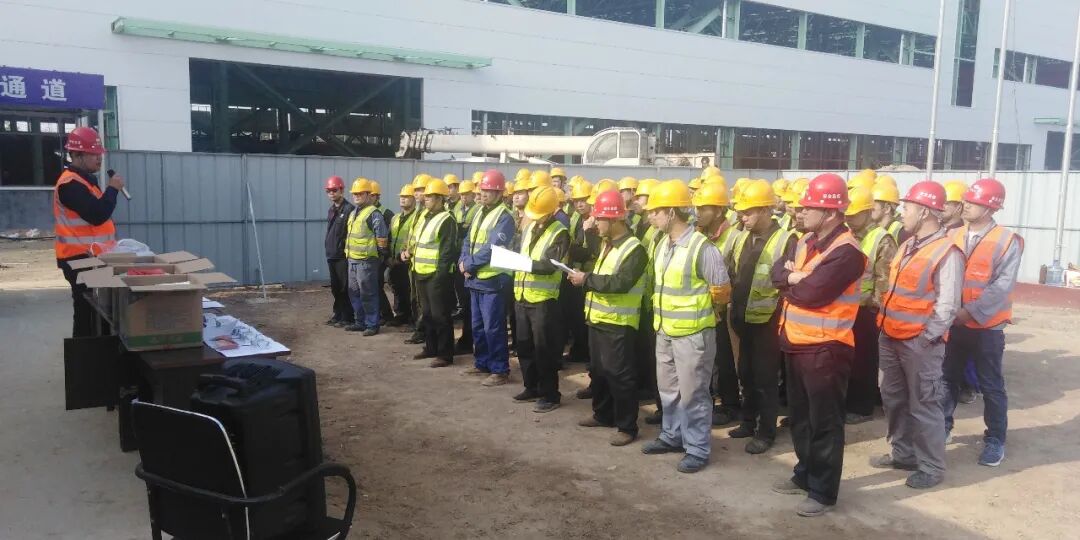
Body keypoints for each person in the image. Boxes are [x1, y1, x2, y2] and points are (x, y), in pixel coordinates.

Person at [770, 173, 866, 517]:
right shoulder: (805, 240)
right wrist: (793, 278)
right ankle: (805, 473)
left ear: (830, 212)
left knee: (824, 421)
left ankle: (823, 492)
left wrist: (793, 280)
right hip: (796, 341)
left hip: (827, 348)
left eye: (808, 206)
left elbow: (813, 294)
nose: (800, 211)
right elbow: (776, 273)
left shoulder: (848, 252)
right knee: (800, 417)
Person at [872, 181, 963, 490]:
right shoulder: (907, 245)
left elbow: (948, 305)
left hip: (919, 343)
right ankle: (904, 454)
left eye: (907, 207)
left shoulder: (947, 252)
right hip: (891, 335)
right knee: (894, 399)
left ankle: (931, 466)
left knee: (924, 403)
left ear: (924, 212)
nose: (902, 212)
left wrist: (926, 338)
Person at [639, 180, 731, 474]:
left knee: (694, 394)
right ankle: (672, 435)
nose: (650, 216)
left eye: (655, 211)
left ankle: (697, 448)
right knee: (669, 390)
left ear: (671, 212)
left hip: (693, 335)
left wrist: (705, 316)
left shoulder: (702, 248)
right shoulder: (662, 244)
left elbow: (722, 290)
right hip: (665, 330)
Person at [942, 178, 1023, 468]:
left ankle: (995, 439)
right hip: (954, 323)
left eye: (973, 202)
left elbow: (1001, 286)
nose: (965, 205)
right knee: (946, 379)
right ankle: (942, 427)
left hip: (987, 327)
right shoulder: (952, 235)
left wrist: (969, 312)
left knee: (991, 385)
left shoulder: (1007, 241)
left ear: (990, 208)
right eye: (966, 200)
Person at [568, 190, 647, 446]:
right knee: (599, 371)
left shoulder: (635, 250)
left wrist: (586, 279)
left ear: (614, 220)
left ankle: (627, 426)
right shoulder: (607, 244)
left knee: (620, 375)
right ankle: (603, 414)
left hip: (618, 323)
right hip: (598, 318)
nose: (596, 223)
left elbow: (620, 283)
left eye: (599, 218)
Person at [726, 180, 797, 454]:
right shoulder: (741, 237)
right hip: (743, 318)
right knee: (745, 373)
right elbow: (733, 272)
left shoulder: (786, 240)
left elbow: (790, 283)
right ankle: (748, 421)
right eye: (741, 212)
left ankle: (766, 432)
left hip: (770, 321)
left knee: (766, 378)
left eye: (748, 212)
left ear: (766, 210)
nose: (743, 217)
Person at [53, 127, 121, 337]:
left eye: (99, 153)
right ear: (77, 155)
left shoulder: (84, 181)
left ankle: (96, 350)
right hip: (78, 259)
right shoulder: (69, 184)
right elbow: (97, 214)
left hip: (91, 257)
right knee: (86, 311)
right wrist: (112, 189)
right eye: (93, 153)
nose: (99, 158)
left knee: (98, 312)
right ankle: (84, 354)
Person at [512, 186, 570, 413]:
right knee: (524, 345)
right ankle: (531, 386)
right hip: (522, 295)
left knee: (544, 350)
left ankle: (550, 394)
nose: (536, 218)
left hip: (543, 301)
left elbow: (550, 266)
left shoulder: (560, 232)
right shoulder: (530, 227)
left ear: (551, 211)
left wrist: (523, 264)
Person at [843, 186, 898, 424]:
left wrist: (875, 308)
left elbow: (884, 280)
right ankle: (850, 400)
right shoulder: (847, 235)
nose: (848, 218)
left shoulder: (881, 239)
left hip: (867, 310)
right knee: (848, 358)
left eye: (853, 214)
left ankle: (862, 407)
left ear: (867, 212)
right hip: (846, 309)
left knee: (864, 360)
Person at [691, 181, 743, 428]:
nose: (698, 213)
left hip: (724, 309)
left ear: (720, 211)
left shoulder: (734, 237)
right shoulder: (699, 235)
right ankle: (716, 400)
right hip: (704, 310)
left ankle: (730, 405)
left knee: (724, 360)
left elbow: (737, 274)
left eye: (704, 208)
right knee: (709, 362)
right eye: (697, 208)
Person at [459, 170, 516, 387]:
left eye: (489, 190)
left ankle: (500, 369)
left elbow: (493, 248)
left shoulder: (504, 217)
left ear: (500, 193)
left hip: (494, 280)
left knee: (494, 327)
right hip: (476, 278)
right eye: (482, 189)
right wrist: (463, 261)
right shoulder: (479, 212)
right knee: (478, 326)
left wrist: (469, 264)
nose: (483, 194)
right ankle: (482, 362)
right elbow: (468, 240)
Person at [405, 178, 459, 367]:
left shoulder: (447, 220)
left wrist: (440, 275)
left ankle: (445, 354)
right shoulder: (425, 216)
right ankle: (431, 347)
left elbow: (447, 251)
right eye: (426, 196)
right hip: (421, 272)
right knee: (427, 314)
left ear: (440, 198)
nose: (425, 199)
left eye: (429, 196)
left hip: (436, 276)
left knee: (440, 315)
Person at [941, 180, 979, 404]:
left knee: (965, 352)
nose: (942, 206)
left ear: (958, 207)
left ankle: (969, 386)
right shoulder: (947, 232)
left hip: (967, 303)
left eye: (948, 203)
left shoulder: (961, 234)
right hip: (950, 298)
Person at [634, 179, 665, 425]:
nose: (650, 214)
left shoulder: (682, 239)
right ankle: (662, 407)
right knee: (654, 361)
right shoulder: (653, 233)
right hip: (651, 303)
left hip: (674, 315)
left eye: (655, 210)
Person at [344, 178, 389, 335]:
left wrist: (380, 256)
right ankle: (360, 321)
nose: (356, 196)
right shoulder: (353, 213)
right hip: (352, 260)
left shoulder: (374, 214)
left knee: (368, 293)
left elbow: (382, 238)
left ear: (369, 195)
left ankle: (372, 324)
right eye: (354, 194)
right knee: (354, 292)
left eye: (360, 193)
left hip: (366, 261)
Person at [564, 180, 596, 368]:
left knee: (586, 317)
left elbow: (592, 249)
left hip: (589, 273)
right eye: (576, 201)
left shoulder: (595, 220)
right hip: (575, 271)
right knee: (576, 315)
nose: (579, 204)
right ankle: (579, 350)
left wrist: (578, 251)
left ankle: (587, 353)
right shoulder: (576, 218)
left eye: (583, 200)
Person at [451, 178, 479, 354]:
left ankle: (468, 340)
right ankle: (466, 339)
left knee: (469, 304)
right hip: (461, 258)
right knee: (464, 301)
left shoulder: (477, 210)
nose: (463, 197)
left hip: (471, 261)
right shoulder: (457, 209)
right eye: (461, 194)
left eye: (466, 194)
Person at [323, 176, 355, 327]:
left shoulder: (349, 210)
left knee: (344, 287)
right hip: (332, 254)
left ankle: (347, 317)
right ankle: (338, 314)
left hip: (343, 256)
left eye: (334, 190)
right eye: (329, 191)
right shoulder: (331, 210)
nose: (331, 193)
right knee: (335, 288)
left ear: (341, 190)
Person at [405, 174, 432, 345]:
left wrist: (411, 251)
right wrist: (406, 250)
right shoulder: (418, 211)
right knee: (415, 298)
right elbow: (413, 235)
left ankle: (422, 331)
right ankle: (419, 328)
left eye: (420, 190)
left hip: (425, 264)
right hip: (414, 261)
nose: (416, 193)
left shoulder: (429, 213)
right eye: (415, 190)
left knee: (423, 302)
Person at [387, 184, 419, 327]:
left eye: (406, 197)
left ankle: (412, 318)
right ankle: (400, 315)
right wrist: (389, 258)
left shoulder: (417, 218)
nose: (403, 199)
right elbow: (389, 238)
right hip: (395, 260)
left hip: (408, 260)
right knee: (397, 289)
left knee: (410, 290)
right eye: (401, 197)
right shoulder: (395, 218)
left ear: (414, 199)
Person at [371, 180, 394, 321]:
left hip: (381, 256)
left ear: (377, 196)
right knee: (372, 286)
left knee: (377, 286)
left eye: (372, 195)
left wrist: (385, 256)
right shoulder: (365, 212)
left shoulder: (386, 213)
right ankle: (380, 314)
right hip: (371, 255)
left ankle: (386, 315)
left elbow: (389, 236)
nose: (370, 197)